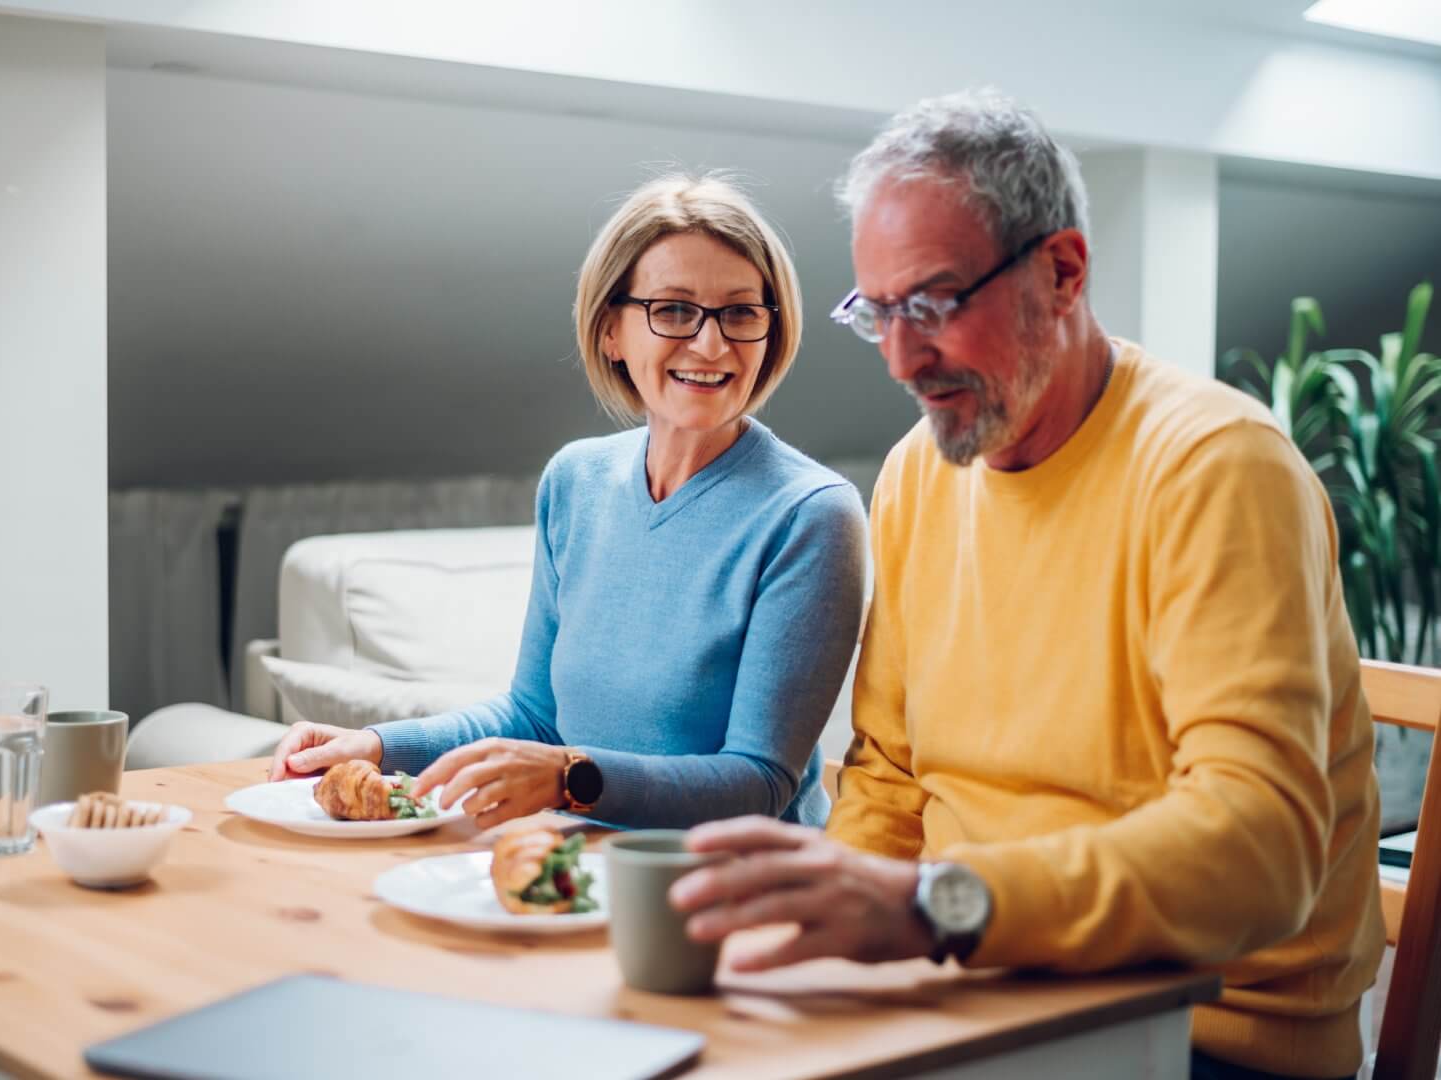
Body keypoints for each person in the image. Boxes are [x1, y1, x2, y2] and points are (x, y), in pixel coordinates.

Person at [668, 91, 1384, 1080]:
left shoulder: (1218, 469)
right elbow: (888, 776)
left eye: (933, 305)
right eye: (878, 315)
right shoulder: (920, 471)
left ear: (1062, 271)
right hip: (974, 992)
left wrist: (936, 908)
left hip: (1207, 1035)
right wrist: (816, 943)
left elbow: (1261, 852)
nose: (902, 359)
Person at [268, 173, 866, 832]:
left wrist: (566, 778)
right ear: (611, 329)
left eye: (741, 312)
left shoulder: (810, 513)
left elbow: (760, 782)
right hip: (576, 860)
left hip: (729, 888)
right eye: (672, 309)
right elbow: (532, 714)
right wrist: (377, 745)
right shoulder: (575, 481)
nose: (711, 344)